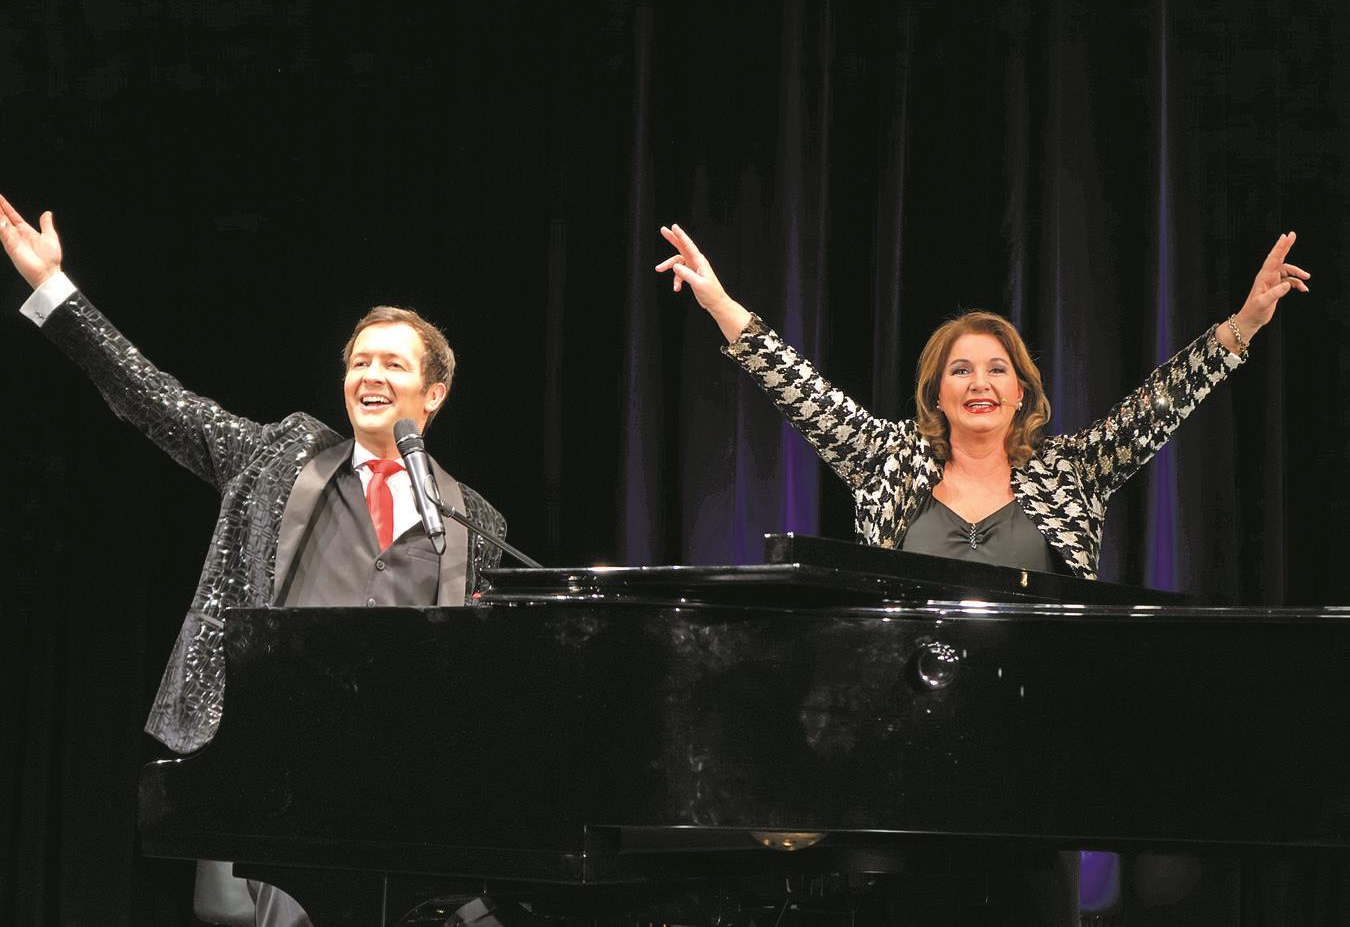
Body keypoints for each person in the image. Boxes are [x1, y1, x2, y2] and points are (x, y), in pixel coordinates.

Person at [656, 222, 1307, 923]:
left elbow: (1159, 406)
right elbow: (800, 389)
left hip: (1034, 771)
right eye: (960, 369)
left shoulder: (1071, 473)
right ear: (937, 392)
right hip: (904, 774)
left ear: (1023, 389)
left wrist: (1243, 325)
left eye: (998, 368)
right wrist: (721, 302)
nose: (980, 382)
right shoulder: (888, 462)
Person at [1, 194, 507, 927]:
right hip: (272, 770)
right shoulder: (281, 457)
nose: (369, 374)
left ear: (433, 392)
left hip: (398, 788)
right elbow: (159, 403)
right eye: (359, 360)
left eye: (392, 363)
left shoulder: (473, 521)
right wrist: (56, 290)